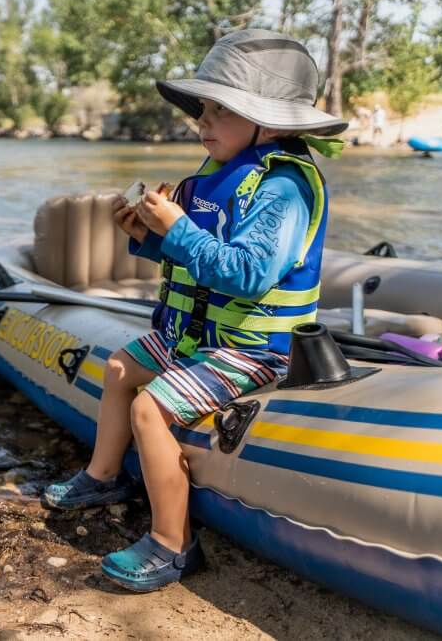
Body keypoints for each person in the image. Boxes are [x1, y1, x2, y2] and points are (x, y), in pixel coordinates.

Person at [41, 29, 347, 592]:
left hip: (250, 348)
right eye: (202, 109)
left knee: (149, 409)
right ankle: (104, 476)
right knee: (118, 368)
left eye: (220, 111)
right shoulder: (210, 177)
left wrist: (178, 229)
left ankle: (173, 545)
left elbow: (248, 274)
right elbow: (196, 262)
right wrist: (148, 236)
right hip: (196, 334)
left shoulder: (282, 189)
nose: (201, 122)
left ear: (271, 124)